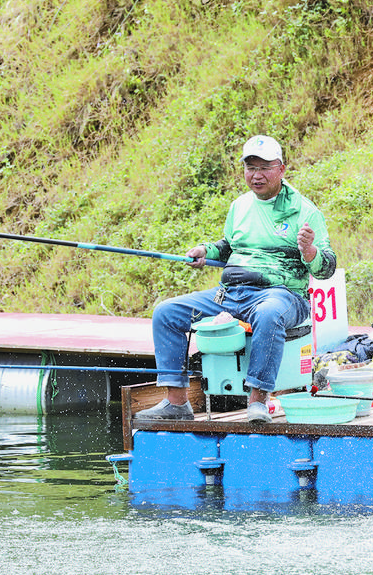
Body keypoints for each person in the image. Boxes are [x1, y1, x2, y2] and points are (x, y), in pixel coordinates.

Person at [135, 135, 337, 423]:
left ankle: (258, 401)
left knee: (268, 313)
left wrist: (310, 251)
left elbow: (326, 268)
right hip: (230, 294)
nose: (256, 175)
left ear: (282, 169)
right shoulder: (239, 206)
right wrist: (206, 251)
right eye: (250, 167)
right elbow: (228, 246)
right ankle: (177, 403)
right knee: (166, 313)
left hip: (282, 294)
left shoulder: (305, 211)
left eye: (265, 167)